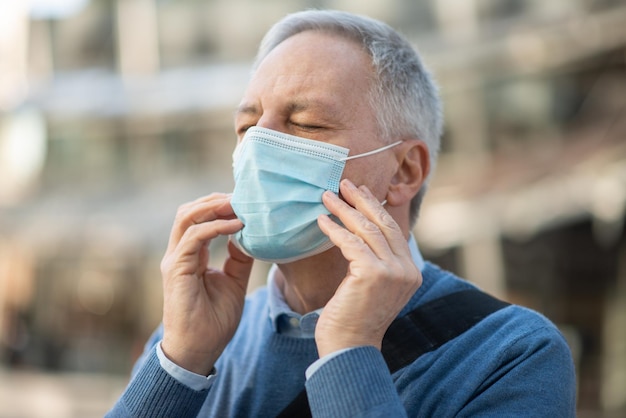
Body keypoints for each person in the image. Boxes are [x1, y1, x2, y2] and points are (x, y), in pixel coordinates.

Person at [107, 9, 576, 417]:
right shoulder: (197, 334)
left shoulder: (511, 354)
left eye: (306, 124)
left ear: (404, 171)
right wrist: (179, 363)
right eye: (247, 126)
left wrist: (349, 351)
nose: (257, 147)